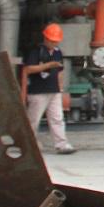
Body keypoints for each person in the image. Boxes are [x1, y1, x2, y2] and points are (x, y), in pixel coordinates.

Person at [22, 24, 75, 154]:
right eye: (52, 40)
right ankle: (30, 144)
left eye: (56, 41)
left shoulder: (58, 53)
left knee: (57, 118)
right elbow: (28, 69)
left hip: (54, 90)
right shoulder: (36, 51)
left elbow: (60, 72)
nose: (54, 43)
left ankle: (61, 144)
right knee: (34, 120)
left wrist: (61, 88)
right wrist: (48, 65)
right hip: (38, 91)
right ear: (45, 38)